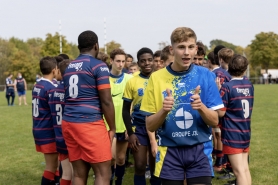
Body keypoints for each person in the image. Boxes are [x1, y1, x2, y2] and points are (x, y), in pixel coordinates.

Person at [140, 27, 224, 185]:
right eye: (181, 47)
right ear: (172, 50)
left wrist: (201, 107)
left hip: (200, 150)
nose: (186, 52)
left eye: (191, 47)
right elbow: (150, 126)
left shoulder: (206, 75)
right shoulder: (156, 78)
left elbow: (214, 121)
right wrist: (164, 111)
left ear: (196, 49)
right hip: (169, 151)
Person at [62, 30, 115, 185]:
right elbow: (106, 101)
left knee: (78, 174)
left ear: (79, 47)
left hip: (69, 123)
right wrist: (112, 128)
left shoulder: (69, 66)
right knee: (103, 172)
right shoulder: (99, 65)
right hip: (89, 123)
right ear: (96, 46)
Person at [122, 47, 160, 185]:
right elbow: (125, 110)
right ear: (138, 63)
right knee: (139, 166)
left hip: (159, 126)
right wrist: (130, 132)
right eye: (143, 61)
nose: (147, 63)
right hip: (140, 129)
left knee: (156, 165)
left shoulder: (161, 78)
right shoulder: (132, 81)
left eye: (150, 60)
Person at [218, 54, 254, 185]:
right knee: (244, 169)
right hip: (245, 132)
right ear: (245, 69)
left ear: (229, 67)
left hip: (232, 135)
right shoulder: (250, 85)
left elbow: (221, 113)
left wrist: (217, 93)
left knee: (238, 172)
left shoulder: (227, 87)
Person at [107, 48, 133, 185]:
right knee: (110, 157)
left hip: (123, 125)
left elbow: (132, 104)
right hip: (108, 125)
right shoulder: (104, 79)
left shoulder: (129, 79)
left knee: (121, 159)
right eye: (118, 61)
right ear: (111, 61)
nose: (121, 64)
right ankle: (109, 180)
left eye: (123, 61)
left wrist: (130, 127)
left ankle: (119, 181)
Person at [32, 56, 59, 185]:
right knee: (51, 167)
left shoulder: (37, 85)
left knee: (55, 165)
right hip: (48, 131)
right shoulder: (50, 88)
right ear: (54, 70)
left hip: (39, 128)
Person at [49, 59, 72, 185]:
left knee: (66, 174)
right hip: (70, 135)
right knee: (75, 175)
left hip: (58, 135)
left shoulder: (53, 90)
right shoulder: (71, 91)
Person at [210, 45, 232, 173]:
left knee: (218, 135)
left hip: (221, 109)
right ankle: (225, 163)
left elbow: (214, 92)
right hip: (234, 111)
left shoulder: (217, 73)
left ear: (220, 59)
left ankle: (221, 163)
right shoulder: (234, 74)